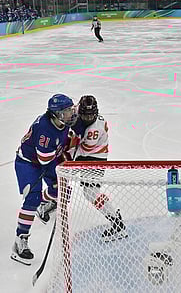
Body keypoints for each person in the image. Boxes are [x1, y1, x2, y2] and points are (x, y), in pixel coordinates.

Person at [11, 94, 77, 265]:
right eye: (67, 111)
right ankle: (20, 240)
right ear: (56, 113)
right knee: (32, 198)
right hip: (28, 163)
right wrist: (65, 164)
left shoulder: (60, 122)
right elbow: (45, 161)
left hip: (46, 160)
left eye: (71, 109)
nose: (71, 113)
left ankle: (43, 206)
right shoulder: (45, 131)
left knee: (64, 191)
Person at [68, 95, 127, 242]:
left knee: (90, 193)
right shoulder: (76, 110)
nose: (88, 118)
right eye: (85, 115)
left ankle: (117, 223)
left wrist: (68, 150)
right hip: (88, 155)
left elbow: (84, 149)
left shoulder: (95, 129)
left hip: (95, 158)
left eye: (91, 115)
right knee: (88, 191)